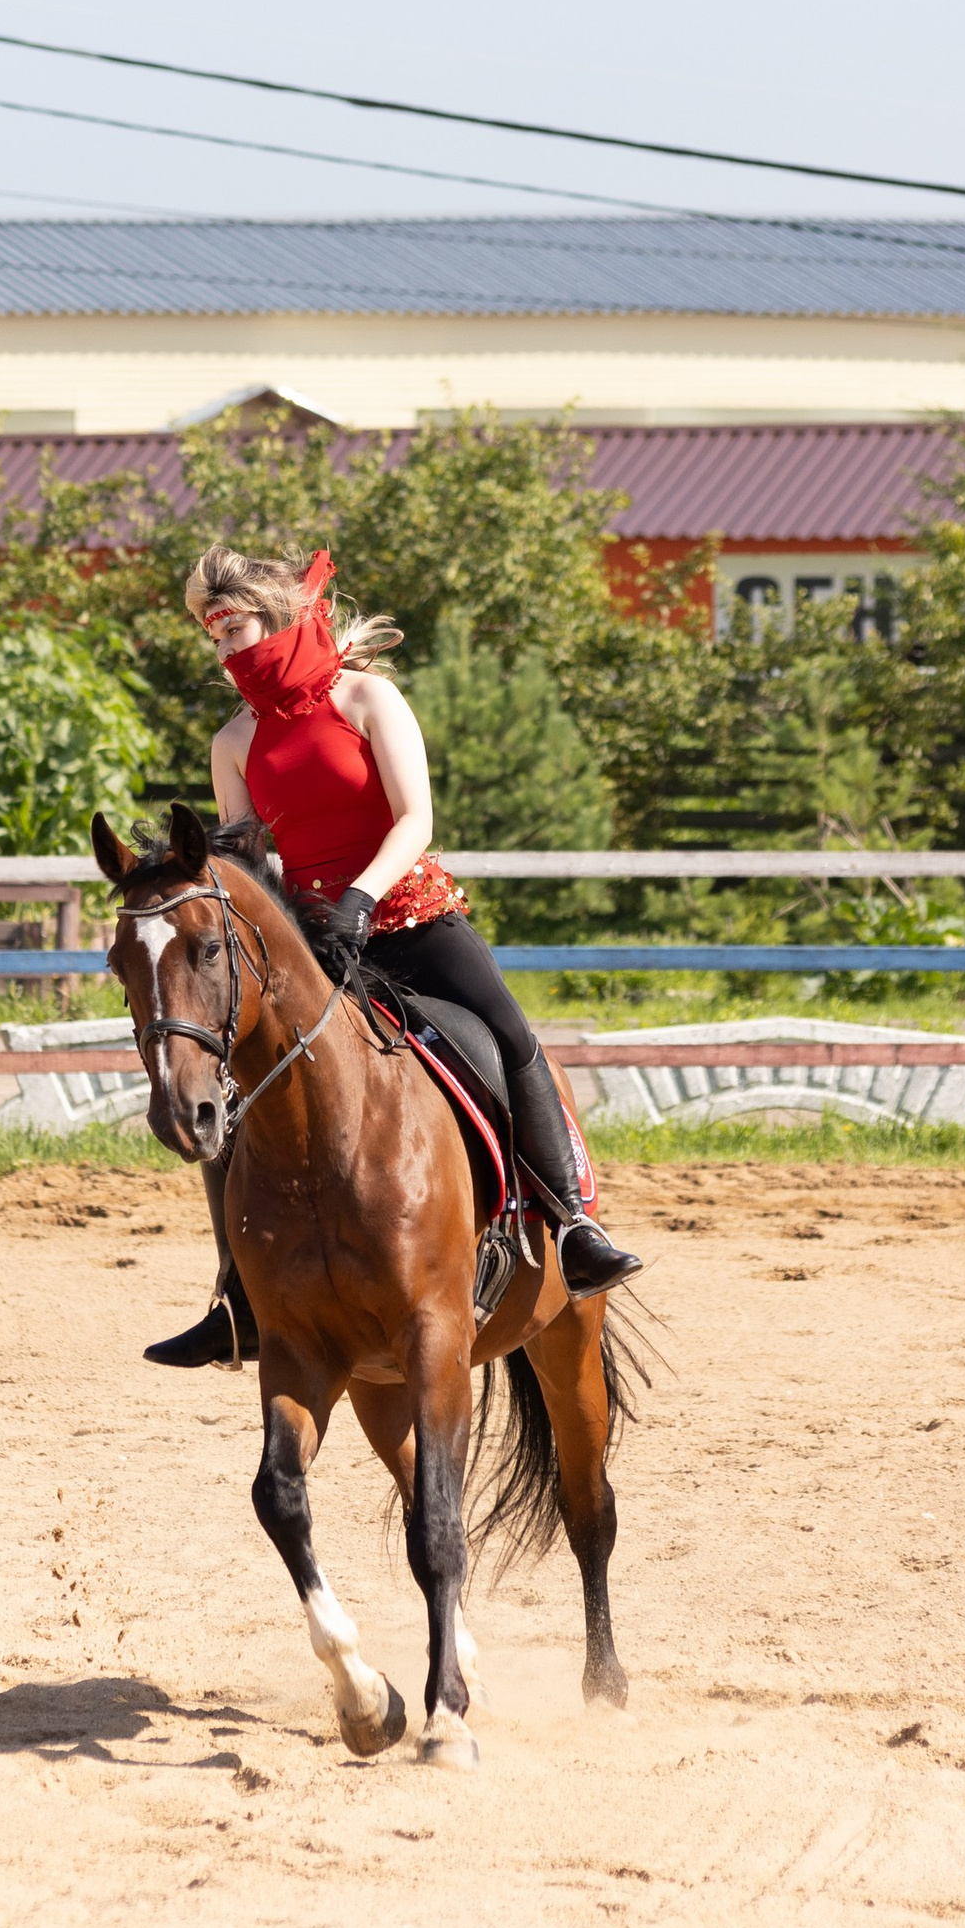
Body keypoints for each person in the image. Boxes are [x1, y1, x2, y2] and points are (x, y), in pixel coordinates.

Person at [144, 544, 636, 1368]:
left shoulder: (368, 698)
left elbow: (416, 820)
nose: (228, 651)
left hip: (408, 916)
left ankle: (574, 1226)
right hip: (311, 944)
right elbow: (243, 858)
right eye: (214, 637)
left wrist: (360, 900)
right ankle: (238, 1299)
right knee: (235, 1086)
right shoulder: (233, 739)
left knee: (512, 1043)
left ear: (279, 619)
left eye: (237, 629)